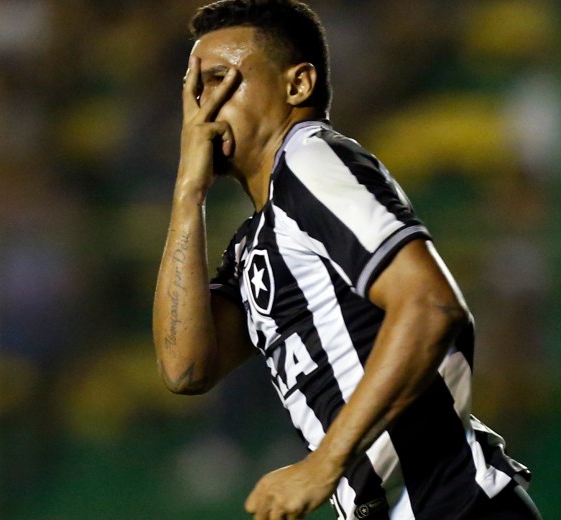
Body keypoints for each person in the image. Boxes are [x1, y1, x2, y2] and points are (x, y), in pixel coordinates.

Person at [151, 1, 540, 518]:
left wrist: (324, 462)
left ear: (298, 85)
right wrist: (187, 194)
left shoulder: (310, 161)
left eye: (220, 80)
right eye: (194, 88)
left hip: (449, 502)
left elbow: (431, 306)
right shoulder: (257, 237)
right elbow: (186, 368)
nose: (203, 106)